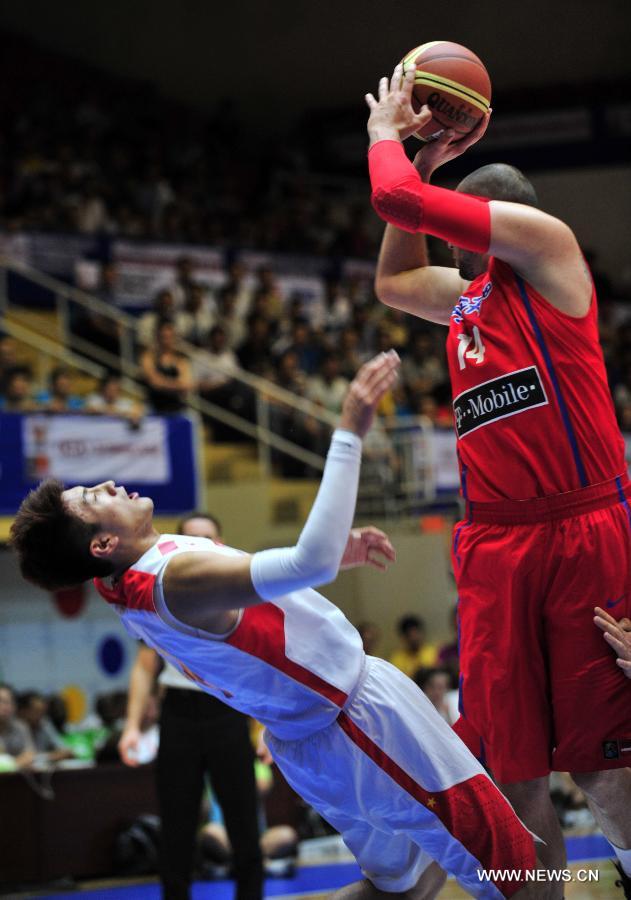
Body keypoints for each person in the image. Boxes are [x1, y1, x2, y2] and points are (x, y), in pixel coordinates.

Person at [10, 352, 540, 900]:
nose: (111, 483)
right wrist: (350, 431)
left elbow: (277, 580)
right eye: (96, 497)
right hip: (358, 721)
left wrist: (335, 553)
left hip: (318, 738)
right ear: (102, 544)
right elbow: (306, 562)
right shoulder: (173, 578)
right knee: (517, 868)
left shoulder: (114, 582)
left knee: (401, 889)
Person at [365, 62, 631, 898]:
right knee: (509, 771)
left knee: (602, 765)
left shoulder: (551, 257)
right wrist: (430, 159)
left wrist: (389, 141)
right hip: (492, 543)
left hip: (581, 529)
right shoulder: (467, 301)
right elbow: (392, 280)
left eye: (469, 230)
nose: (457, 250)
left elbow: (399, 203)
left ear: (509, 222)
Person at [119, 511, 264, 900]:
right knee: (177, 822)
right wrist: (132, 725)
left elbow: (261, 667)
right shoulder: (162, 591)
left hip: (227, 712)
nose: (199, 543)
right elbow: (144, 665)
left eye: (207, 537)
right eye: (191, 537)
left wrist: (267, 727)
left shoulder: (240, 590)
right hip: (179, 714)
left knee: (243, 820)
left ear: (219, 543)